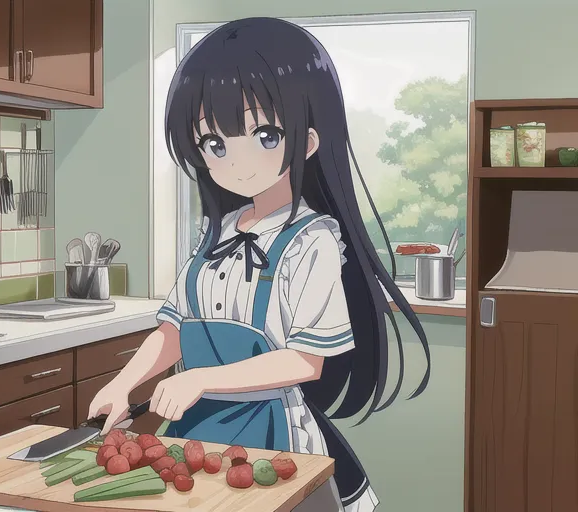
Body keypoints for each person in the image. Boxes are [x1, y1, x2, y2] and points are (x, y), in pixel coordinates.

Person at [87, 17, 430, 511]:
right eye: (214, 144)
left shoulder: (312, 242)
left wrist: (200, 378)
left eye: (266, 134)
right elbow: (174, 330)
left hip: (271, 434)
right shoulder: (219, 232)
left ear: (307, 141)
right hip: (196, 434)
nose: (235, 162)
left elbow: (305, 361)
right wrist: (123, 385)